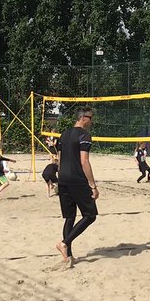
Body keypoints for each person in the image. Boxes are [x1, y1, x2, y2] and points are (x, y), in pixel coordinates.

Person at [55, 107, 99, 268]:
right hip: (77, 179)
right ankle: (64, 243)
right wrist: (93, 186)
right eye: (91, 118)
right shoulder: (84, 135)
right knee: (90, 215)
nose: (91, 121)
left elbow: (59, 159)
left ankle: (68, 257)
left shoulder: (64, 134)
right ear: (84, 118)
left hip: (63, 179)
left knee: (70, 217)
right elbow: (84, 161)